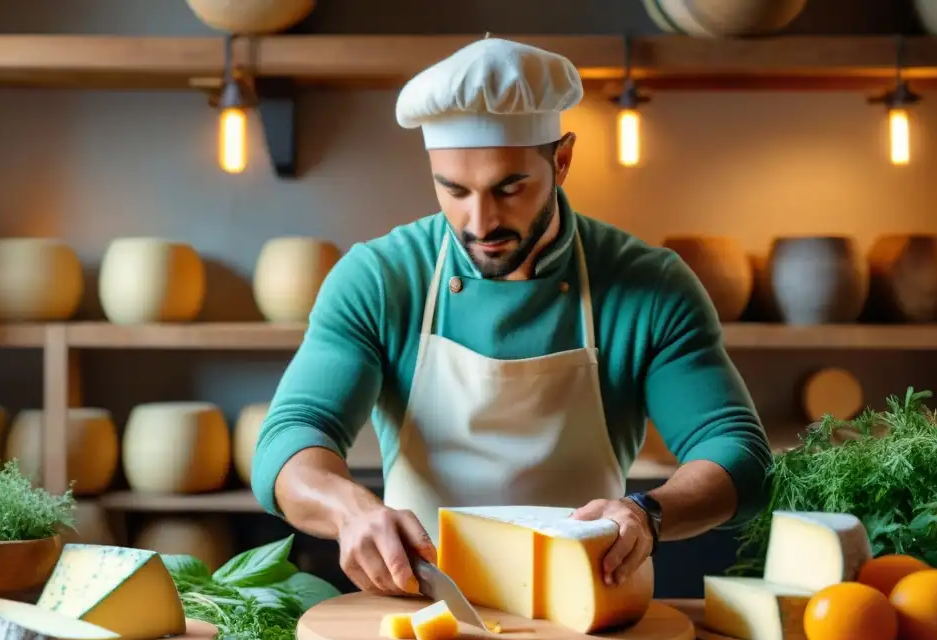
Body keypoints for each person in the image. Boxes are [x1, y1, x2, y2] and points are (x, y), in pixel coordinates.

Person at [252, 37, 772, 597]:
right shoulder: (381, 279)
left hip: (590, 611)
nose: (480, 222)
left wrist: (650, 513)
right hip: (420, 605)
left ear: (562, 161)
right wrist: (350, 508)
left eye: (510, 188)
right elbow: (289, 439)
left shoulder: (649, 285)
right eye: (453, 190)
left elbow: (737, 452)